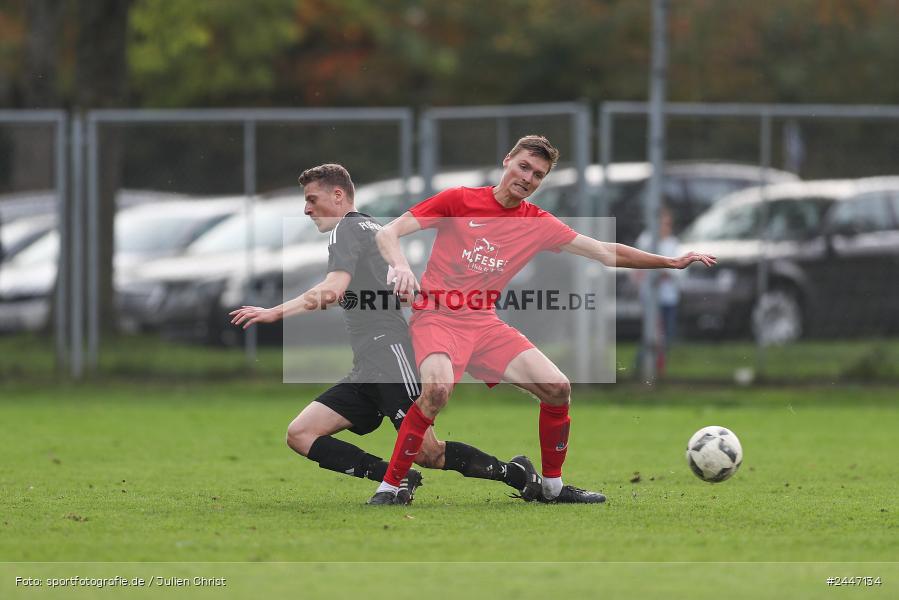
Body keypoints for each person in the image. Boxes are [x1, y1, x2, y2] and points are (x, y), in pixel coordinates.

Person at [372, 136, 716, 504]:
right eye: (523, 167)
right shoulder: (458, 200)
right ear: (507, 161)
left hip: (484, 324)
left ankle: (552, 488)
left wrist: (671, 261)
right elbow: (388, 232)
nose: (528, 178)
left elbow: (603, 252)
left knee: (558, 388)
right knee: (437, 391)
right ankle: (390, 488)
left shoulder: (538, 223)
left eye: (538, 175)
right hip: (437, 317)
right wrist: (401, 265)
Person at [229, 164, 542, 506]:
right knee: (301, 434)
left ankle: (517, 474)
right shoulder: (373, 227)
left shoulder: (346, 228)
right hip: (369, 361)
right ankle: (395, 476)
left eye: (311, 199)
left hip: (389, 355)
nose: (306, 209)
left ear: (338, 195)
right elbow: (398, 287)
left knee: (429, 451)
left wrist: (275, 312)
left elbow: (334, 289)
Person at [632, 206, 682, 376]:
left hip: (669, 297)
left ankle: (657, 368)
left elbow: (679, 272)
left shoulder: (673, 243)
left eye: (667, 223)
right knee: (652, 334)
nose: (665, 227)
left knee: (666, 335)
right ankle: (642, 368)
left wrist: (667, 272)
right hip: (650, 297)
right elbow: (637, 268)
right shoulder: (647, 240)